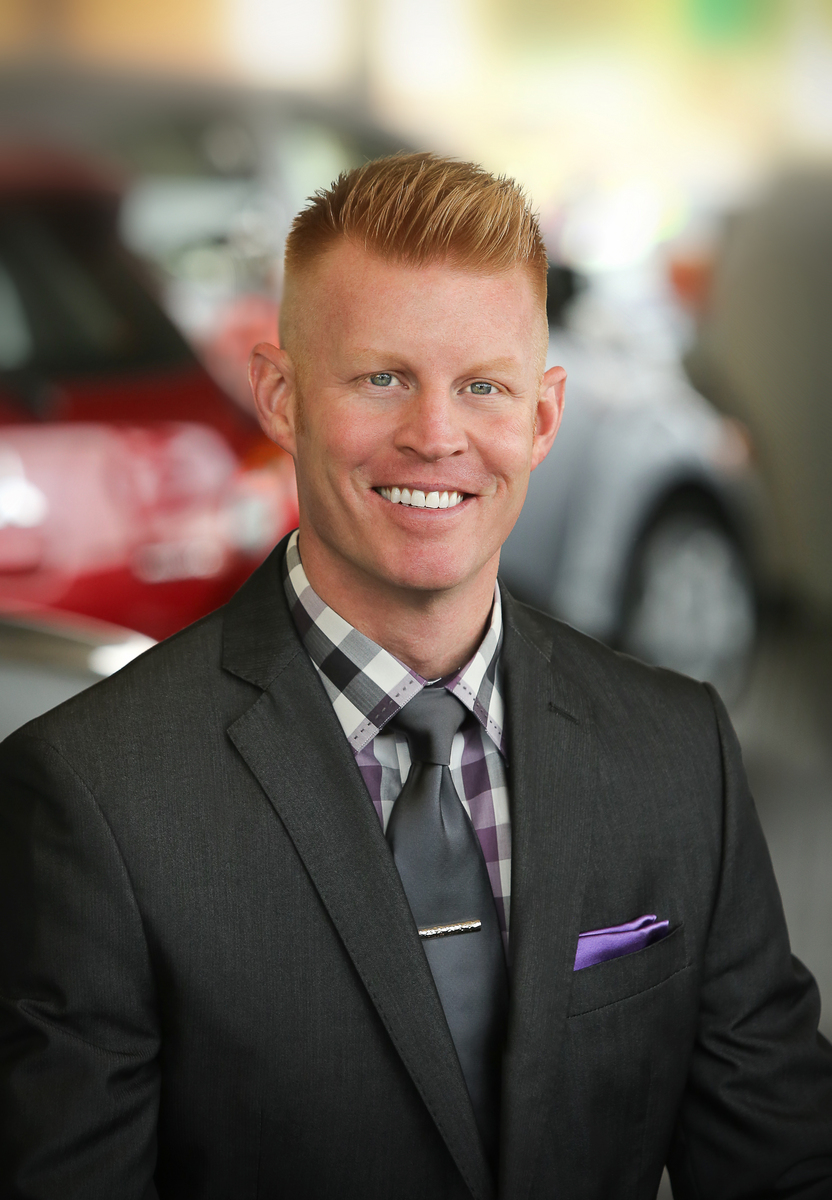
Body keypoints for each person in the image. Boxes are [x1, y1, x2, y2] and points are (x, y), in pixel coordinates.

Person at [1, 153, 831, 1200]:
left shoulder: (679, 755)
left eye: (483, 386)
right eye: (381, 378)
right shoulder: (92, 797)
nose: (437, 437)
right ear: (280, 396)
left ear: (541, 417)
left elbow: (784, 1166)